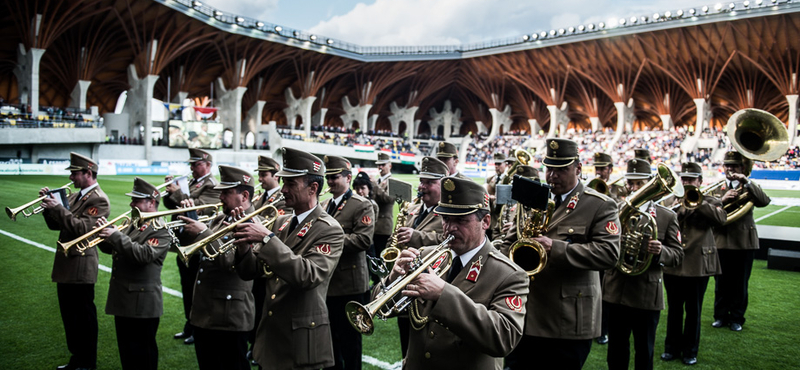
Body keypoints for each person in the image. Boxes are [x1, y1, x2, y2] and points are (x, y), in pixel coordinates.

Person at [382, 176, 529, 368]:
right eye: (445, 219)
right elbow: (383, 308)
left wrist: (444, 294)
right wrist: (393, 278)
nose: (450, 228)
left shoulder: (509, 274)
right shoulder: (425, 255)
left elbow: (503, 338)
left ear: (485, 221)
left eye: (461, 220)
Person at [502, 138, 620, 370]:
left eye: (561, 169)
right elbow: (509, 243)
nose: (553, 175)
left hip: (567, 320)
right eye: (549, 168)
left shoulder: (599, 205)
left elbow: (609, 254)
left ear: (578, 168)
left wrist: (554, 248)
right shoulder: (535, 197)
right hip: (526, 315)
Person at [232, 148, 344, 370]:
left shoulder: (330, 229)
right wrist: (243, 246)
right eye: (283, 182)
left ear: (313, 188)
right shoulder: (280, 222)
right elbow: (249, 271)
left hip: (301, 340)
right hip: (272, 334)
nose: (283, 189)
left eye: (291, 184)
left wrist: (266, 240)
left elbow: (308, 276)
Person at [603, 159, 683, 370]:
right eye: (631, 183)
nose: (635, 188)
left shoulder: (667, 216)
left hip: (646, 295)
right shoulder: (614, 210)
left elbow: (677, 255)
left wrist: (660, 251)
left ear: (649, 183)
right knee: (616, 352)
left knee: (644, 351)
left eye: (640, 183)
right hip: (616, 291)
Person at [176, 165, 258, 370]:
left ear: (244, 195)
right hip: (206, 312)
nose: (220, 197)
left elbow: (230, 263)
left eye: (226, 192)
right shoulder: (222, 218)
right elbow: (192, 248)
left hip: (229, 316)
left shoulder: (255, 223)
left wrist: (203, 231)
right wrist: (190, 221)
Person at [40, 153, 110, 370]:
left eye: (74, 173)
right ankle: (76, 359)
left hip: (80, 265)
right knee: (70, 318)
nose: (71, 178)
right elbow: (58, 226)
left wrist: (58, 208)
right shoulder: (75, 196)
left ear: (88, 173)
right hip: (66, 264)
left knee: (84, 319)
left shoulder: (98, 199)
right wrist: (48, 209)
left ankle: (87, 362)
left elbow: (83, 230)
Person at [95, 178, 172, 370]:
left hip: (142, 303)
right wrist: (102, 236)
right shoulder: (134, 223)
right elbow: (118, 249)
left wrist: (116, 236)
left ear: (151, 202)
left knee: (142, 355)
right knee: (127, 354)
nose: (131, 204)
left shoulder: (161, 229)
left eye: (136, 200)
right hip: (124, 298)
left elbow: (144, 255)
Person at [662, 162, 725, 366]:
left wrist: (699, 204)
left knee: (694, 311)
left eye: (691, 179)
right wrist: (678, 206)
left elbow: (721, 219)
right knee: (674, 309)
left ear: (700, 181)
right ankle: (671, 348)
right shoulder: (672, 200)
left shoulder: (711, 200)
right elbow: (662, 224)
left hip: (698, 264)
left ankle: (690, 351)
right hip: (674, 262)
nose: (687, 182)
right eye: (684, 179)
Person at [320, 155, 375, 370]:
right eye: (328, 177)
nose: (331, 181)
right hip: (328, 282)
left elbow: (363, 240)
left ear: (348, 177)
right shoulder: (324, 205)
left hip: (349, 285)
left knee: (350, 344)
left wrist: (329, 239)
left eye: (335, 177)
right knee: (331, 342)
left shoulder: (361, 205)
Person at [163, 148, 221, 345]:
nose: (192, 168)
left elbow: (200, 208)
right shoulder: (190, 183)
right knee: (186, 287)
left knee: (197, 289)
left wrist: (177, 193)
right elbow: (174, 206)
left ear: (207, 165)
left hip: (197, 243)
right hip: (183, 242)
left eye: (196, 164)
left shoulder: (211, 185)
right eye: (192, 164)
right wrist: (169, 191)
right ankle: (190, 325)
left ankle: (198, 328)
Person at [710, 151, 771, 331]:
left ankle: (737, 318)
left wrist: (746, 181)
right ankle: (720, 316)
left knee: (740, 283)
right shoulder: (717, 188)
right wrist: (721, 200)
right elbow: (708, 211)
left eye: (734, 166)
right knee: (721, 283)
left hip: (744, 242)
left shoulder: (749, 187)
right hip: (721, 241)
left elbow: (764, 201)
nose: (730, 169)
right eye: (728, 165)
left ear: (742, 168)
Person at [247, 155, 290, 365]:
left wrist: (255, 223)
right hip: (256, 257)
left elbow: (279, 226)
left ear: (275, 175)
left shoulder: (283, 200)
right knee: (257, 304)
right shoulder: (258, 198)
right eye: (260, 175)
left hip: (271, 258)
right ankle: (255, 344)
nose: (261, 179)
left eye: (264, 175)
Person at [371, 152, 394, 270]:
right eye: (378, 165)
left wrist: (375, 185)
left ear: (390, 165)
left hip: (384, 226)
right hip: (373, 224)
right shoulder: (379, 181)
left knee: (382, 257)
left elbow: (388, 199)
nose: (380, 167)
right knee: (373, 256)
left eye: (383, 165)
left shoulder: (392, 181)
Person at [486, 152, 509, 240]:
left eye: (499, 164)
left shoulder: (508, 179)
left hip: (501, 218)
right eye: (495, 164)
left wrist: (495, 198)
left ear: (505, 165)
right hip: (491, 219)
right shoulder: (491, 179)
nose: (496, 166)